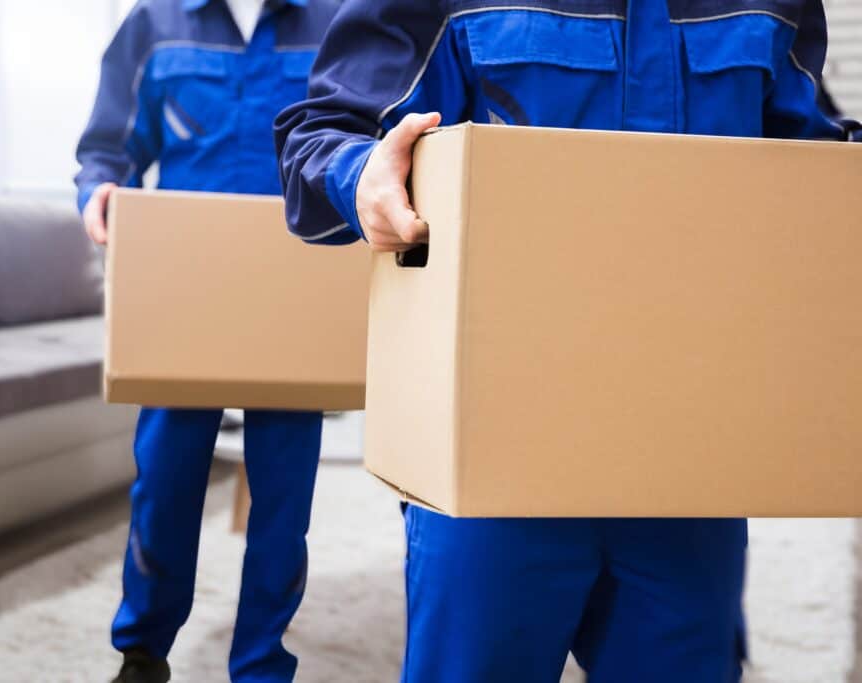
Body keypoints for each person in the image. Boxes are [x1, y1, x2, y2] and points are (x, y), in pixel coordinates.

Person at [275, 1, 860, 681]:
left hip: (692, 460)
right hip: (494, 454)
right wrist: (360, 177)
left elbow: (813, 163)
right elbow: (319, 138)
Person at [76, 1, 339, 681]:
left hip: (295, 299)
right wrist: (99, 191)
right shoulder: (155, 23)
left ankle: (261, 666)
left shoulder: (335, 19)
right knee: (164, 482)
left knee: (282, 502)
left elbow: (359, 137)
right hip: (183, 298)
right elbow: (108, 147)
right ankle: (143, 653)